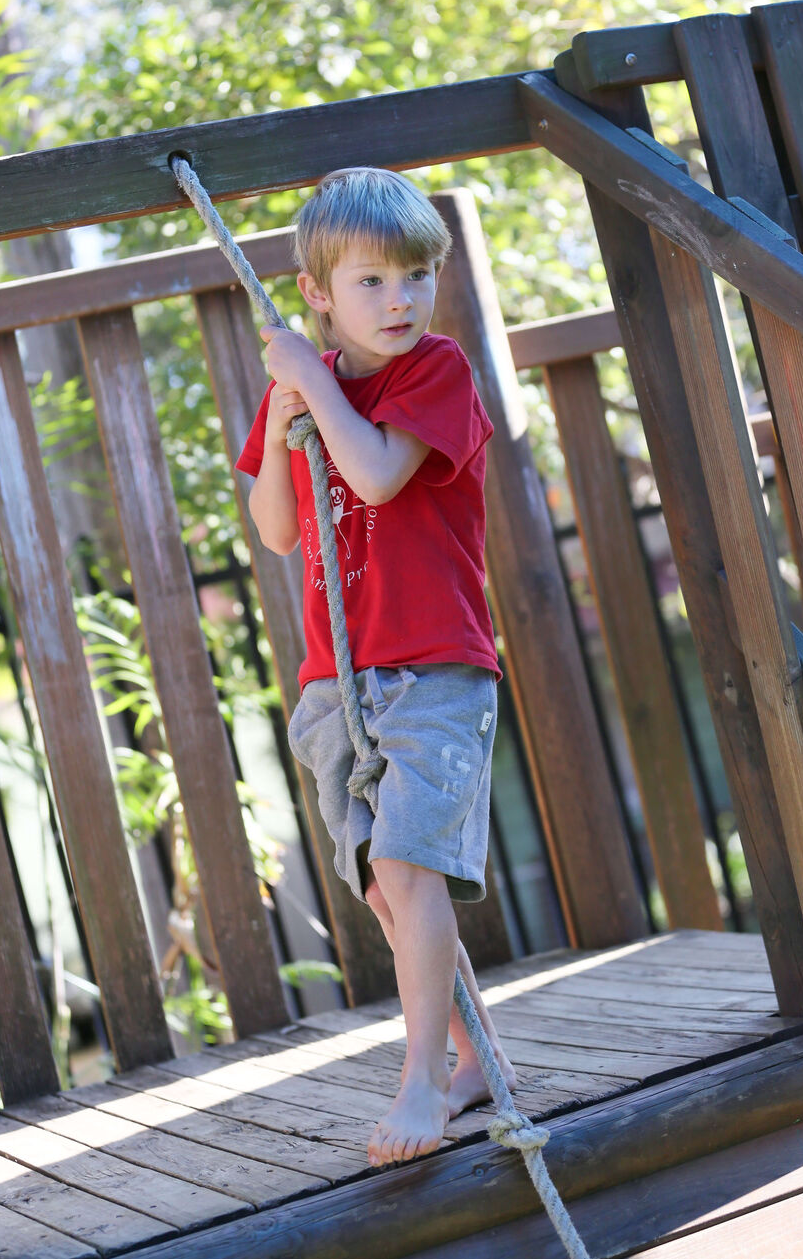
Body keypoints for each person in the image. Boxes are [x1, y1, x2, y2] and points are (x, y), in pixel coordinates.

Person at [237, 167, 516, 1167]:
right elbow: (276, 529)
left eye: (417, 274)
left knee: (409, 863)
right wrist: (280, 423)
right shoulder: (304, 393)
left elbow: (378, 473)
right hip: (335, 683)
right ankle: (474, 1056)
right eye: (372, 281)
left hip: (433, 665)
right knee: (383, 888)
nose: (401, 298)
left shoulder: (433, 371)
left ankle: (422, 1082)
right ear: (318, 292)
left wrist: (310, 384)